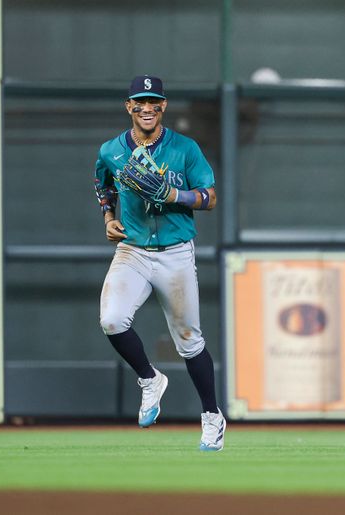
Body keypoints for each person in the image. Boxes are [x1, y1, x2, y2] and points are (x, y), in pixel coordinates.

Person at [93, 75, 226, 451]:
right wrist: (108, 217)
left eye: (153, 101)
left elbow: (210, 197)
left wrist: (175, 193)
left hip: (175, 252)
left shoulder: (184, 149)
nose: (146, 108)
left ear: (163, 106)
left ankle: (212, 416)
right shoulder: (111, 150)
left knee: (189, 341)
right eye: (140, 101)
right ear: (129, 106)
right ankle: (150, 379)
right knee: (112, 320)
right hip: (132, 250)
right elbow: (102, 183)